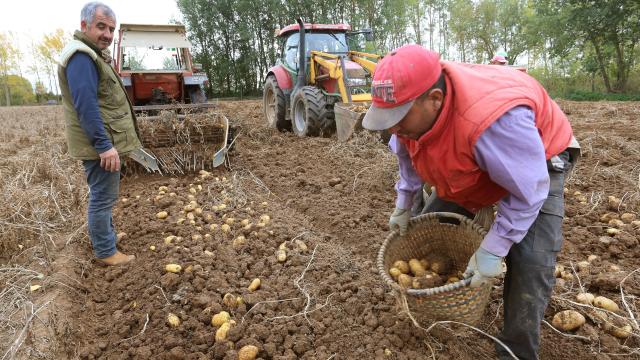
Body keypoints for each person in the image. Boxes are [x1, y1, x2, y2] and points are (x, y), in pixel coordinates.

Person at [364, 44, 579, 360]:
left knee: (530, 263)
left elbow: (529, 190)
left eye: (397, 117)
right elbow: (406, 152)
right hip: (473, 158)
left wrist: (495, 246)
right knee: (432, 229)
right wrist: (404, 201)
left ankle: (515, 351)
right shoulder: (409, 114)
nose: (393, 126)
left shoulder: (493, 120)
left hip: (539, 161)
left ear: (435, 101)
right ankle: (435, 315)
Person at [58, 2, 141, 265]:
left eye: (111, 29)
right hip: (100, 143)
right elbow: (86, 105)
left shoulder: (91, 54)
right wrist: (104, 145)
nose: (107, 34)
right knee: (102, 197)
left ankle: (107, 236)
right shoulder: (82, 56)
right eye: (101, 26)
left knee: (105, 194)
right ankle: (106, 251)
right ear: (84, 26)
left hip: (102, 139)